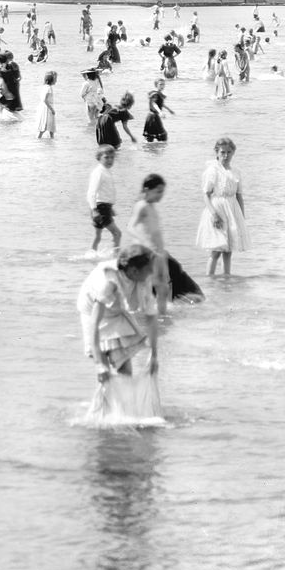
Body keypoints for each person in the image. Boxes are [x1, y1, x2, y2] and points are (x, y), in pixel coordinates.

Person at [82, 244, 162, 424]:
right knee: (104, 371)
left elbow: (151, 317)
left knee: (125, 368)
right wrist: (98, 365)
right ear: (133, 270)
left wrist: (155, 355)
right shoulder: (108, 282)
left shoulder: (142, 279)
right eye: (148, 269)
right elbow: (94, 323)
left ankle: (123, 413)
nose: (151, 273)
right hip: (92, 311)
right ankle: (104, 412)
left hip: (117, 311)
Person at [125, 173, 203, 314]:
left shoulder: (152, 207)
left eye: (162, 192)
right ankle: (137, 313)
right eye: (158, 191)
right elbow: (130, 226)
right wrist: (144, 242)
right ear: (147, 190)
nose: (161, 195)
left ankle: (163, 314)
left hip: (159, 253)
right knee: (144, 286)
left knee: (163, 287)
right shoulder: (141, 206)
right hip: (146, 253)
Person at [195, 137, 248, 276]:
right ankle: (209, 280)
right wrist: (214, 214)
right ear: (217, 152)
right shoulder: (212, 170)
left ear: (233, 153)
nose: (226, 155)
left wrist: (241, 218)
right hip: (217, 210)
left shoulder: (236, 171)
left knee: (228, 250)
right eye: (223, 152)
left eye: (229, 152)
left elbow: (239, 195)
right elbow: (206, 195)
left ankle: (226, 279)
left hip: (232, 210)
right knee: (216, 250)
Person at [88, 146, 120, 251]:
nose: (110, 160)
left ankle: (91, 254)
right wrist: (94, 210)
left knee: (97, 236)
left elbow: (105, 192)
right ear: (99, 158)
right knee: (117, 233)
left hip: (103, 207)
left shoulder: (106, 171)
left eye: (112, 157)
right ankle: (116, 256)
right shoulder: (99, 172)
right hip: (100, 208)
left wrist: (110, 208)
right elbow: (92, 192)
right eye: (106, 157)